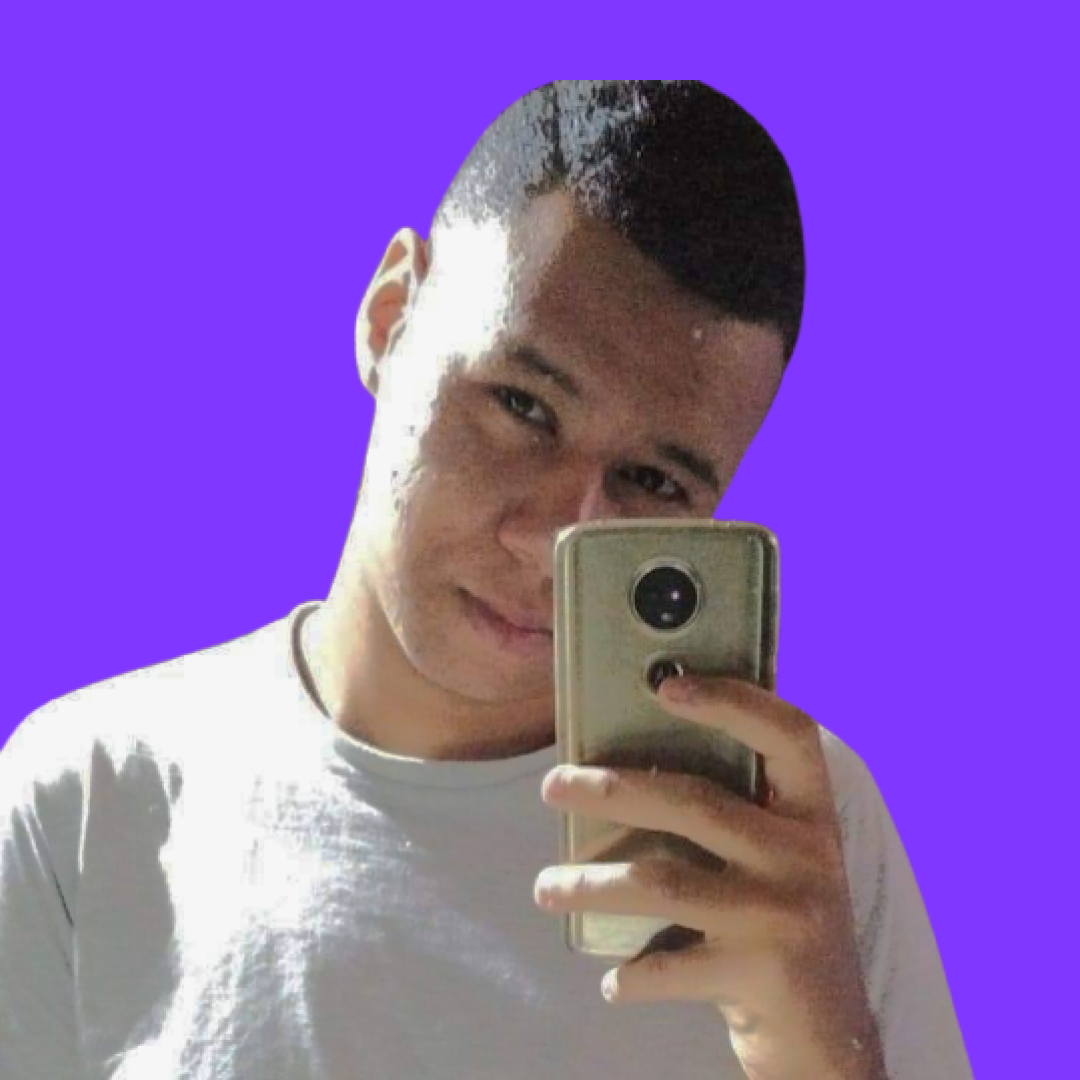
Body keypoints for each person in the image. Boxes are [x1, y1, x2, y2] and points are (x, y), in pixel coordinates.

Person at [0, 80, 973, 1079]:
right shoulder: (89, 793)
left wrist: (830, 1056)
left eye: (653, 481)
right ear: (390, 317)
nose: (552, 538)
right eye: (522, 405)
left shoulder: (792, 833)